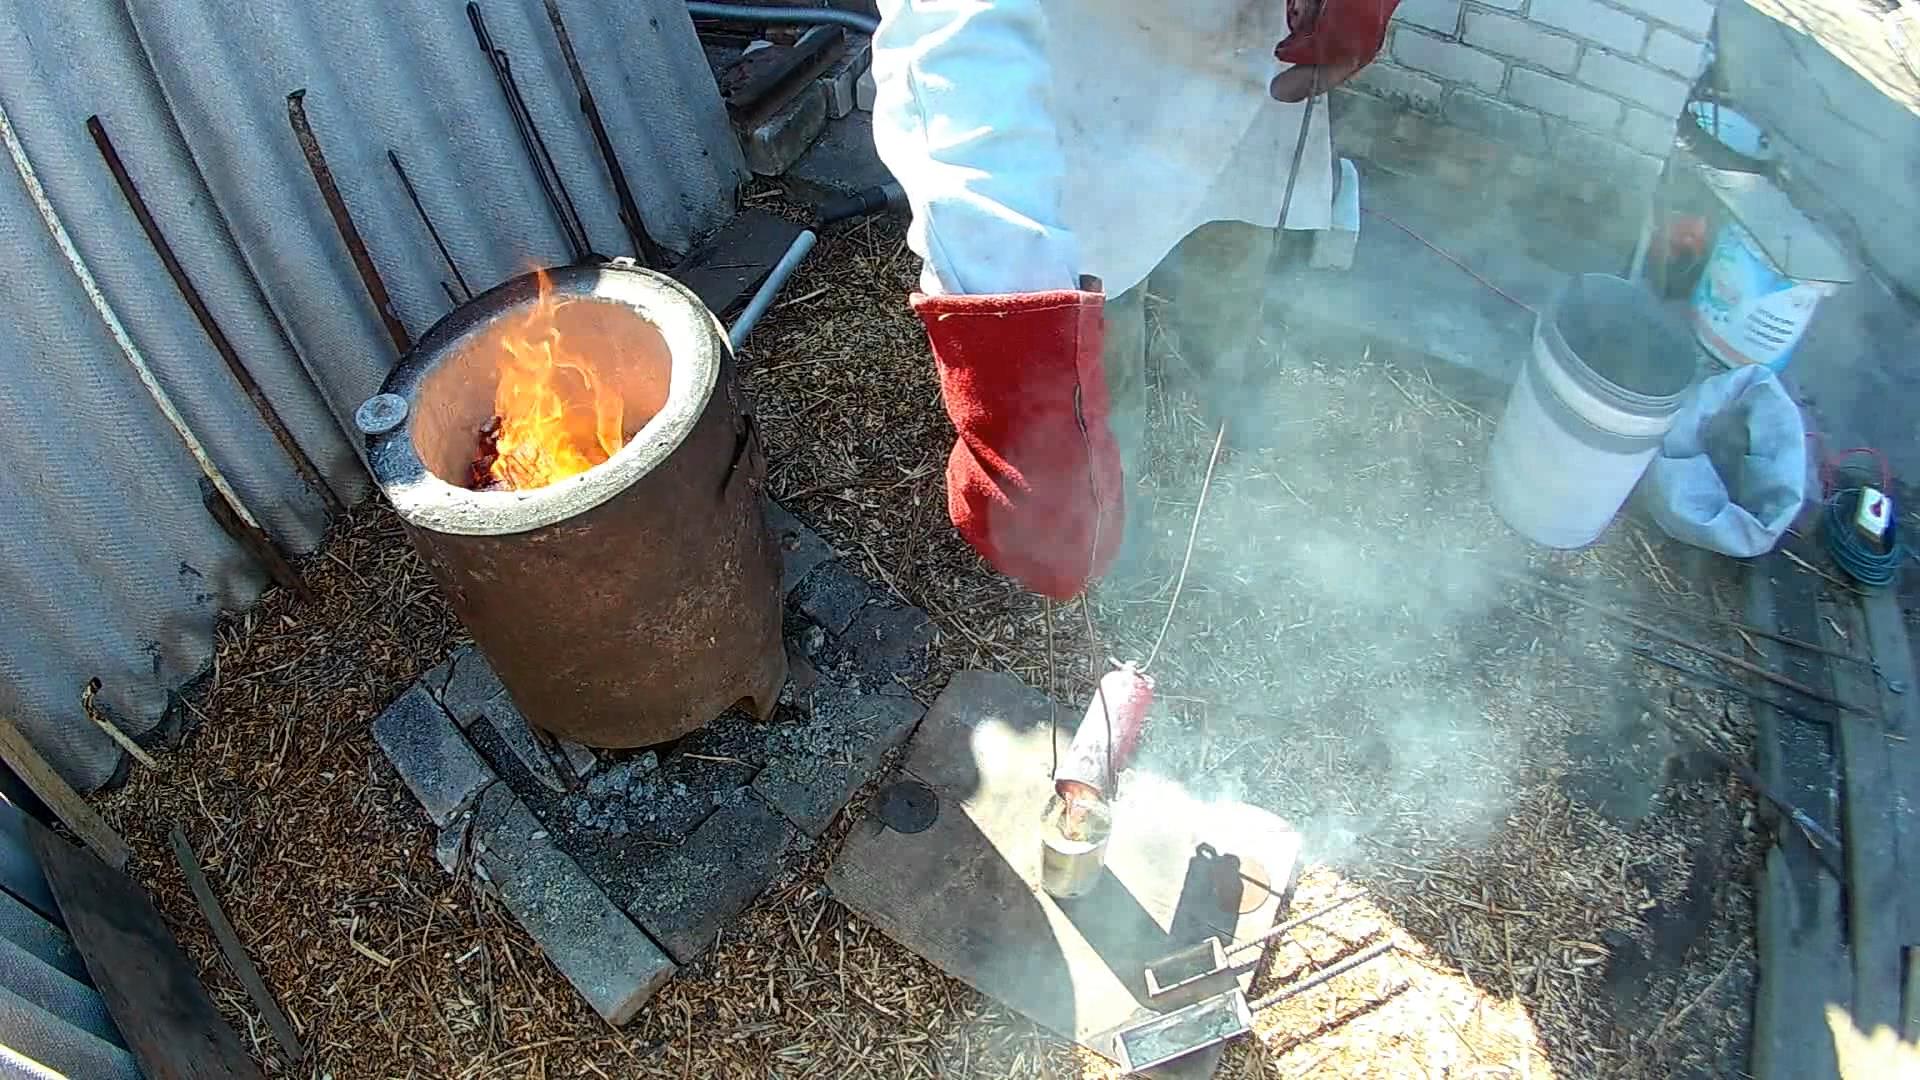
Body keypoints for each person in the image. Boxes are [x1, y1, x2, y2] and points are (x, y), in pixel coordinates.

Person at [870, 0, 1400, 601]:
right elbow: (961, 55)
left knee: (1230, 264)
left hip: (1247, 53)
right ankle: (1118, 535)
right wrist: (1017, 381)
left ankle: (1232, 414)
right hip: (1079, 73)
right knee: (1100, 336)